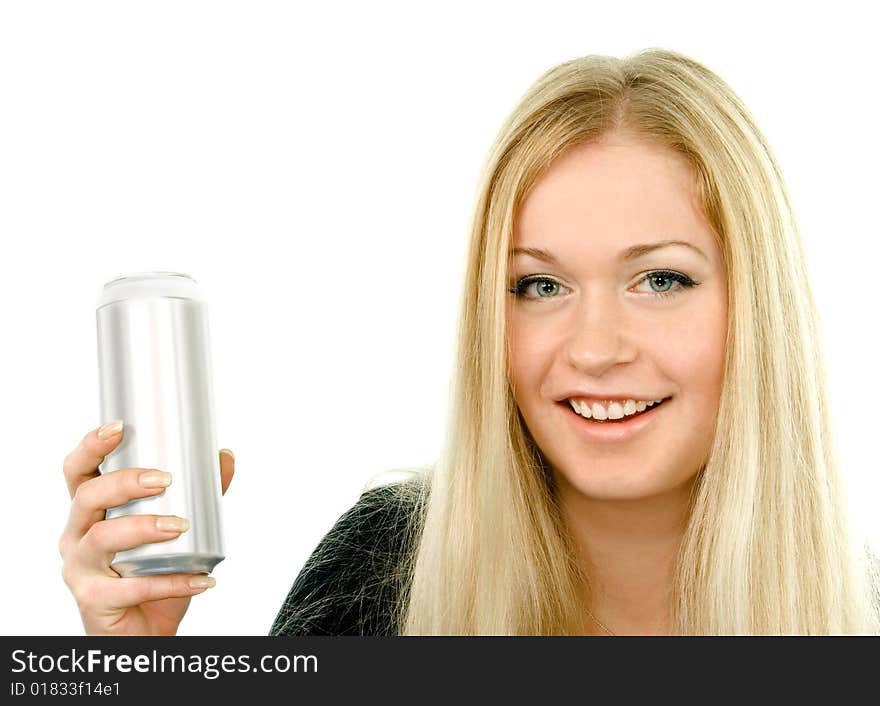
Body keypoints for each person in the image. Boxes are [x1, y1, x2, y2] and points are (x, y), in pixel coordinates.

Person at [60, 47, 880, 636]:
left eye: (660, 279)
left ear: (761, 309)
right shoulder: (383, 570)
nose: (595, 349)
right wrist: (133, 659)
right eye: (540, 285)